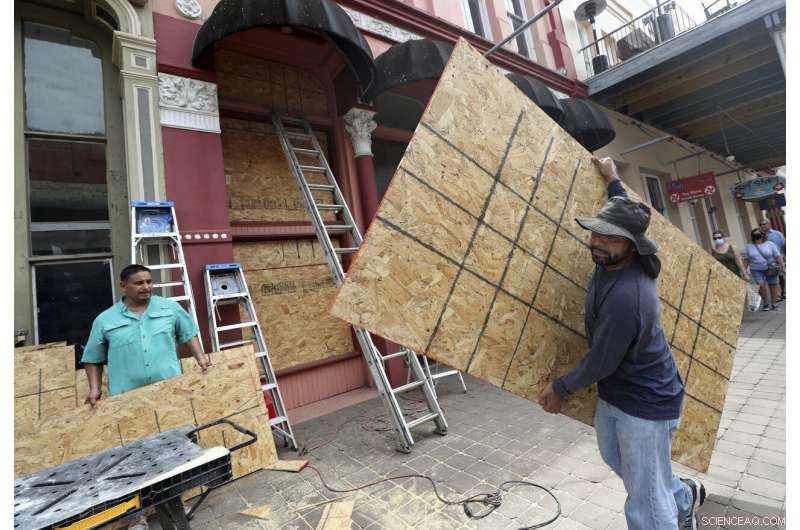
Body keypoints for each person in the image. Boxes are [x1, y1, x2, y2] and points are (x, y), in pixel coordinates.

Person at [537, 157, 705, 530]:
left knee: (644, 501)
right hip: (619, 393)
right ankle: (682, 496)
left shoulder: (628, 297)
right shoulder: (613, 259)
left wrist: (561, 388)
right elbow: (625, 210)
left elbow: (602, 360)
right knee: (623, 464)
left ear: (632, 246)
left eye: (610, 238)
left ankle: (671, 512)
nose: (598, 243)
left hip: (645, 402)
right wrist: (613, 178)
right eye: (597, 232)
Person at [81, 264, 209, 530]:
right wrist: (95, 388)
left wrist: (201, 357)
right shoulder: (105, 320)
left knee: (174, 452)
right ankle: (136, 516)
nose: (147, 287)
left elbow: (189, 333)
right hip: (128, 401)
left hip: (168, 394)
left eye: (149, 282)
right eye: (139, 283)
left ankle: (175, 504)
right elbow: (92, 358)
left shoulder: (168, 308)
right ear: (123, 286)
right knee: (132, 459)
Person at [743, 228, 785, 311]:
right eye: (754, 234)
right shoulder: (748, 246)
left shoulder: (770, 244)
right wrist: (744, 271)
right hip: (756, 269)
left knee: (773, 285)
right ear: (752, 236)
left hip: (771, 267)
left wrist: (783, 266)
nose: (756, 236)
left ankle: (774, 304)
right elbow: (746, 259)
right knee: (760, 285)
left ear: (762, 234)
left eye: (758, 234)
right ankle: (766, 303)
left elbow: (777, 256)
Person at [759, 218, 786, 301]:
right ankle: (777, 295)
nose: (762, 226)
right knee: (774, 276)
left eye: (764, 224)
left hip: (779, 257)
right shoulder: (759, 235)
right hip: (767, 260)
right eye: (760, 225)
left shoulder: (777, 234)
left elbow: (784, 245)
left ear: (769, 224)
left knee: (781, 276)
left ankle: (783, 292)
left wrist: (785, 255)